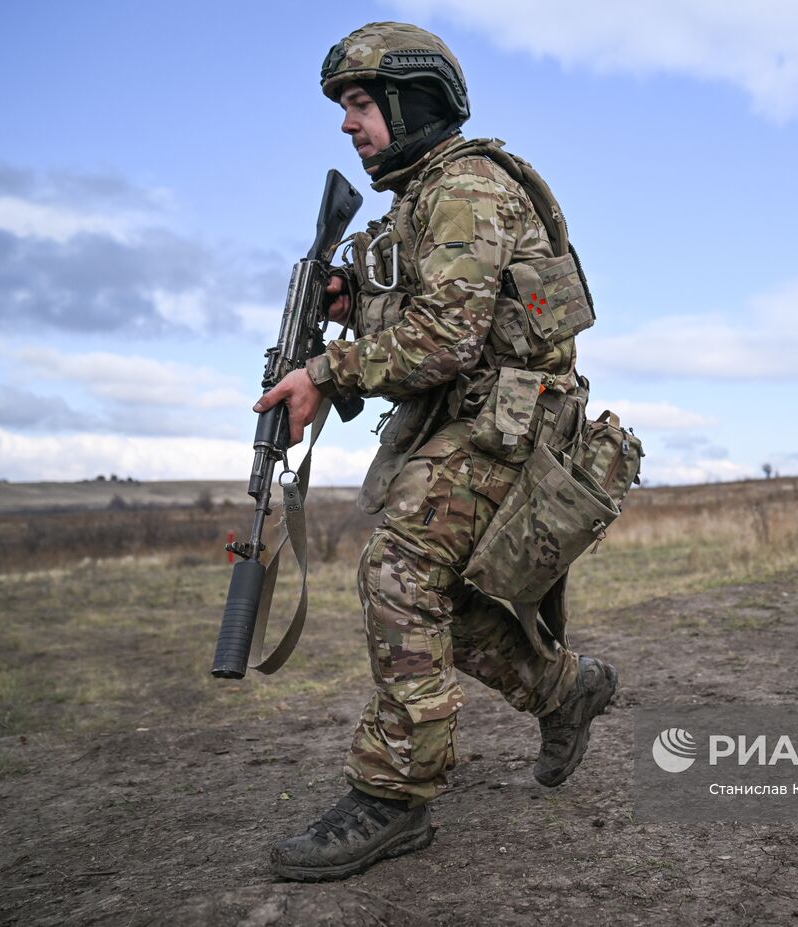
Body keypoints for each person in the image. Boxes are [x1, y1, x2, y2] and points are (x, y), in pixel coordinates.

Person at [253, 22, 618, 882]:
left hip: (510, 422)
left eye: (359, 102)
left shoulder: (465, 187)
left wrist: (326, 370)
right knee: (440, 599)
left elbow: (446, 341)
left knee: (400, 570)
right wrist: (351, 307)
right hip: (472, 418)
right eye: (345, 106)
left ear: (413, 100)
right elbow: (427, 324)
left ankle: (394, 797)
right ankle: (566, 690)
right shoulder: (414, 204)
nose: (348, 124)